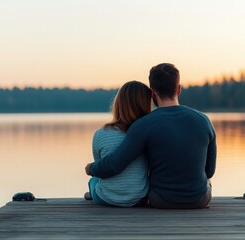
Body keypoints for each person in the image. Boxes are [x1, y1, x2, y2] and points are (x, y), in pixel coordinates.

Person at [86, 63, 216, 209]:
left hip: (161, 201)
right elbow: (209, 171)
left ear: (152, 93)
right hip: (199, 200)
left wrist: (92, 169)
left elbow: (116, 163)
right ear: (179, 89)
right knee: (207, 181)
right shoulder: (203, 120)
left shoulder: (143, 125)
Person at [86, 80, 152, 207]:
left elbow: (101, 167)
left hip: (106, 198)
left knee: (93, 180)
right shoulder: (147, 134)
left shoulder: (100, 134)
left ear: (118, 104)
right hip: (139, 199)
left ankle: (91, 192)